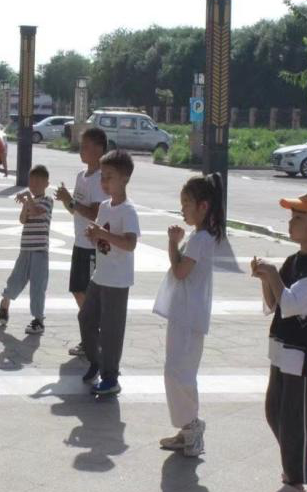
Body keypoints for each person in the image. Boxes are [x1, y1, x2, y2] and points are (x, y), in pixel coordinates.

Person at [252, 193, 307, 492]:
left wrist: (273, 275)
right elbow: (274, 303)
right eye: (292, 217)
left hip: (302, 354)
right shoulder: (294, 261)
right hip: (283, 350)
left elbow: (291, 304)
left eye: (299, 218)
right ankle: (293, 467)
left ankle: (296, 481)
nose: (291, 223)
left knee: (295, 416)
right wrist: (266, 277)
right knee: (275, 410)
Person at [153, 173, 225, 457]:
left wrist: (173, 243)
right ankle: (187, 429)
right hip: (186, 314)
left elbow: (180, 271)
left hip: (188, 316)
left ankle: (193, 428)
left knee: (179, 372)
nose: (182, 209)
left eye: (186, 203)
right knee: (178, 371)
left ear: (203, 207)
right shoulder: (201, 237)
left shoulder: (200, 239)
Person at [79, 150, 140, 396]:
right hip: (100, 275)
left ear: (125, 178)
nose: (104, 182)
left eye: (109, 177)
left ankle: (111, 377)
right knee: (86, 318)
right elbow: (102, 237)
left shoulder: (128, 210)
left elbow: (130, 243)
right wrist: (94, 236)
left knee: (111, 330)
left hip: (117, 280)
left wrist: (102, 234)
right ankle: (97, 361)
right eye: (102, 177)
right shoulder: (104, 206)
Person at [53, 127, 109, 358]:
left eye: (85, 146)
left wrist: (72, 202)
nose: (81, 150)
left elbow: (95, 213)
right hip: (80, 243)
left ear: (99, 149)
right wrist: (66, 200)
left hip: (93, 246)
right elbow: (75, 210)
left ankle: (92, 338)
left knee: (88, 292)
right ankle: (92, 334)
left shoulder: (100, 179)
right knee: (77, 290)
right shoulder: (81, 176)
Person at [0, 165, 53, 334]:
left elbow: (36, 212)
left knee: (38, 285)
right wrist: (25, 204)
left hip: (40, 250)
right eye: (31, 182)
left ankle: (38, 319)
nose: (34, 185)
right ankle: (5, 302)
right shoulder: (30, 201)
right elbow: (23, 219)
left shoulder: (47, 200)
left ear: (46, 184)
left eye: (38, 182)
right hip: (26, 249)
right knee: (16, 279)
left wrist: (28, 199)